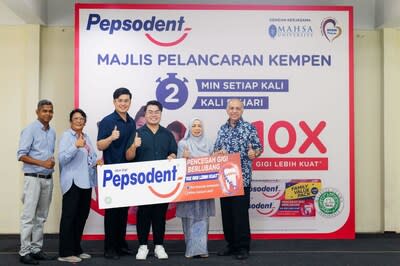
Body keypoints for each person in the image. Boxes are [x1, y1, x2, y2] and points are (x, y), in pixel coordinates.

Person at [126, 100, 177, 260]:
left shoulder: (167, 134)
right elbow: (128, 157)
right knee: (144, 214)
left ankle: (159, 246)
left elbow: (173, 154)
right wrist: (134, 146)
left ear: (160, 114)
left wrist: (172, 156)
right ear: (145, 114)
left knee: (159, 214)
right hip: (143, 182)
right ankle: (142, 246)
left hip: (162, 182)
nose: (153, 114)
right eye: (150, 111)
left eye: (157, 112)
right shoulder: (137, 133)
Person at [214, 99, 262, 260]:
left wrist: (254, 153)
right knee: (227, 214)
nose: (234, 111)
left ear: (242, 110)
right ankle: (231, 245)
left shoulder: (249, 127)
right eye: (231, 108)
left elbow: (258, 147)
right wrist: (217, 153)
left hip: (243, 178)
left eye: (237, 108)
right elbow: (216, 150)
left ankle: (242, 247)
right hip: (225, 179)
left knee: (240, 214)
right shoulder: (222, 129)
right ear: (227, 110)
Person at [97, 88, 136, 260]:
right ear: (114, 102)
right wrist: (111, 138)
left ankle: (120, 245)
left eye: (126, 100)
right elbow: (99, 145)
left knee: (122, 212)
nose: (123, 103)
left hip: (127, 173)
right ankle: (109, 248)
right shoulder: (107, 121)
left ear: (130, 102)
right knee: (112, 213)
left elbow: (130, 148)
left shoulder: (132, 122)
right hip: (112, 173)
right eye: (120, 100)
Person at [17, 99, 56, 265]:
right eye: (44, 111)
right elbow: (21, 155)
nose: (47, 114)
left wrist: (49, 164)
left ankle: (36, 249)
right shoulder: (30, 130)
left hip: (48, 179)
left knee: (41, 217)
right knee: (28, 217)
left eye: (50, 111)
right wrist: (42, 163)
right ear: (37, 112)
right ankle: (24, 252)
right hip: (33, 179)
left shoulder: (52, 132)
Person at [57, 109, 97, 263]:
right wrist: (75, 146)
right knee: (69, 217)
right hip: (72, 182)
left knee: (81, 217)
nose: (79, 121)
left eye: (82, 118)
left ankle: (75, 248)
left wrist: (96, 162)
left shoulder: (86, 137)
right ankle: (65, 253)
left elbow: (90, 158)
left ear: (85, 121)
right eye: (76, 118)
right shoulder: (67, 136)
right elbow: (62, 159)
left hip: (86, 182)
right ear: (71, 121)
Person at [176, 118, 215, 258]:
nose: (197, 128)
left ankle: (202, 249)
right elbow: (177, 168)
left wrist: (218, 156)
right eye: (194, 126)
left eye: (199, 125)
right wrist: (183, 158)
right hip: (189, 189)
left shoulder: (209, 144)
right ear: (189, 128)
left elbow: (214, 164)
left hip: (205, 188)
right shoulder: (183, 144)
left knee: (203, 218)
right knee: (190, 218)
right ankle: (191, 250)